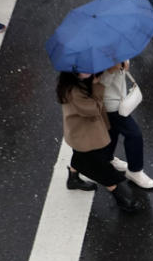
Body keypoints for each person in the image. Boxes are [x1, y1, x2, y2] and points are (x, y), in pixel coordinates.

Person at [58, 71, 144, 212]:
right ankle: (120, 197)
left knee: (80, 155)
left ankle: (73, 178)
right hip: (84, 135)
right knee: (100, 167)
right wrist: (98, 85)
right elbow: (93, 109)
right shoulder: (76, 92)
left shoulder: (70, 83)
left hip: (79, 133)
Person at [100, 60, 153, 189]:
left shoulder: (115, 49)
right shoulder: (97, 58)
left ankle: (107, 159)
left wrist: (124, 63)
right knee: (134, 135)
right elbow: (100, 83)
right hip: (110, 105)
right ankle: (135, 171)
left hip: (118, 100)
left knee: (112, 131)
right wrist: (111, 70)